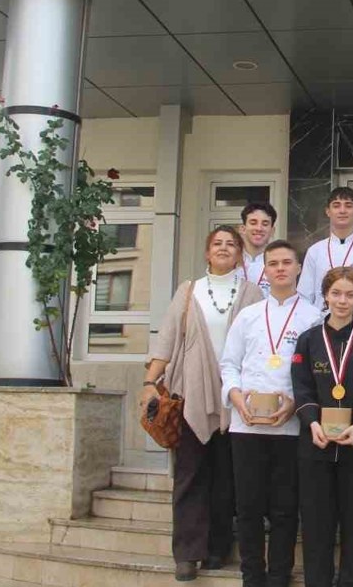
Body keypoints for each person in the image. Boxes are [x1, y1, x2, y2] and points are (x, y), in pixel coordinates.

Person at [140, 226, 264, 582]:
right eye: (217, 244)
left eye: (231, 244)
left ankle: (217, 549)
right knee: (190, 475)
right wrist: (150, 382)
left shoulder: (253, 293)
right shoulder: (188, 290)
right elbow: (165, 340)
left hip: (236, 397)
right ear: (207, 253)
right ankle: (187, 554)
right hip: (189, 393)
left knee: (227, 479)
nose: (224, 249)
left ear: (241, 254)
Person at [220, 240, 321, 587]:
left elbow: (313, 374)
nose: (280, 268)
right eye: (273, 263)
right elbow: (229, 364)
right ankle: (252, 574)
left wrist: (294, 403)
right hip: (245, 426)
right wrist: (236, 398)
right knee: (247, 508)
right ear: (265, 270)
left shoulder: (312, 316)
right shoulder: (247, 315)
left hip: (290, 428)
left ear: (297, 269)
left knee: (283, 508)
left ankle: (279, 574)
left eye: (286, 263)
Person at [292, 266, 353, 587]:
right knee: (317, 525)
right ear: (325, 296)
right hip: (315, 444)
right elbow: (301, 387)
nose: (342, 301)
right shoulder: (308, 339)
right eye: (336, 293)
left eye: (350, 294)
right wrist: (312, 423)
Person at [298, 187, 353, 308]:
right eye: (336, 205)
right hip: (321, 320)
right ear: (328, 211)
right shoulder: (315, 251)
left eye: (348, 206)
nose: (342, 211)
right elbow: (305, 295)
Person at [239, 202, 278, 295]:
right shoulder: (231, 262)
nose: (259, 228)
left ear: (272, 231)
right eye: (253, 223)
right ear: (242, 229)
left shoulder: (279, 263)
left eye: (265, 224)